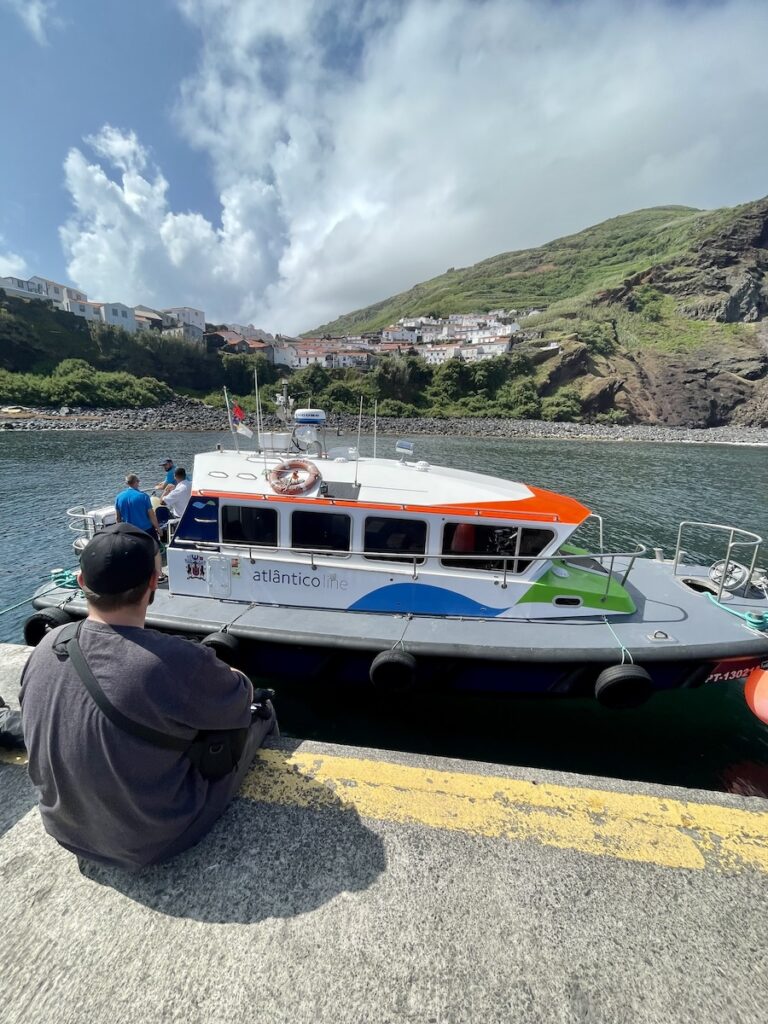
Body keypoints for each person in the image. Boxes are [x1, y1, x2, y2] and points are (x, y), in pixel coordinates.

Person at [20, 523, 277, 871]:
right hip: (150, 841)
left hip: (65, 830)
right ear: (154, 584)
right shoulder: (175, 660)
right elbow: (237, 701)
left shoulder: (49, 644)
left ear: (82, 583)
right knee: (259, 709)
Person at [115, 472, 164, 579]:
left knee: (134, 554)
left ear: (127, 483)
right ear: (137, 482)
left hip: (129, 531)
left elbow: (118, 518)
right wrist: (158, 529)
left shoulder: (119, 497)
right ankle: (159, 575)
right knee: (155, 552)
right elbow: (152, 516)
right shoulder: (143, 497)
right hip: (146, 530)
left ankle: (137, 575)